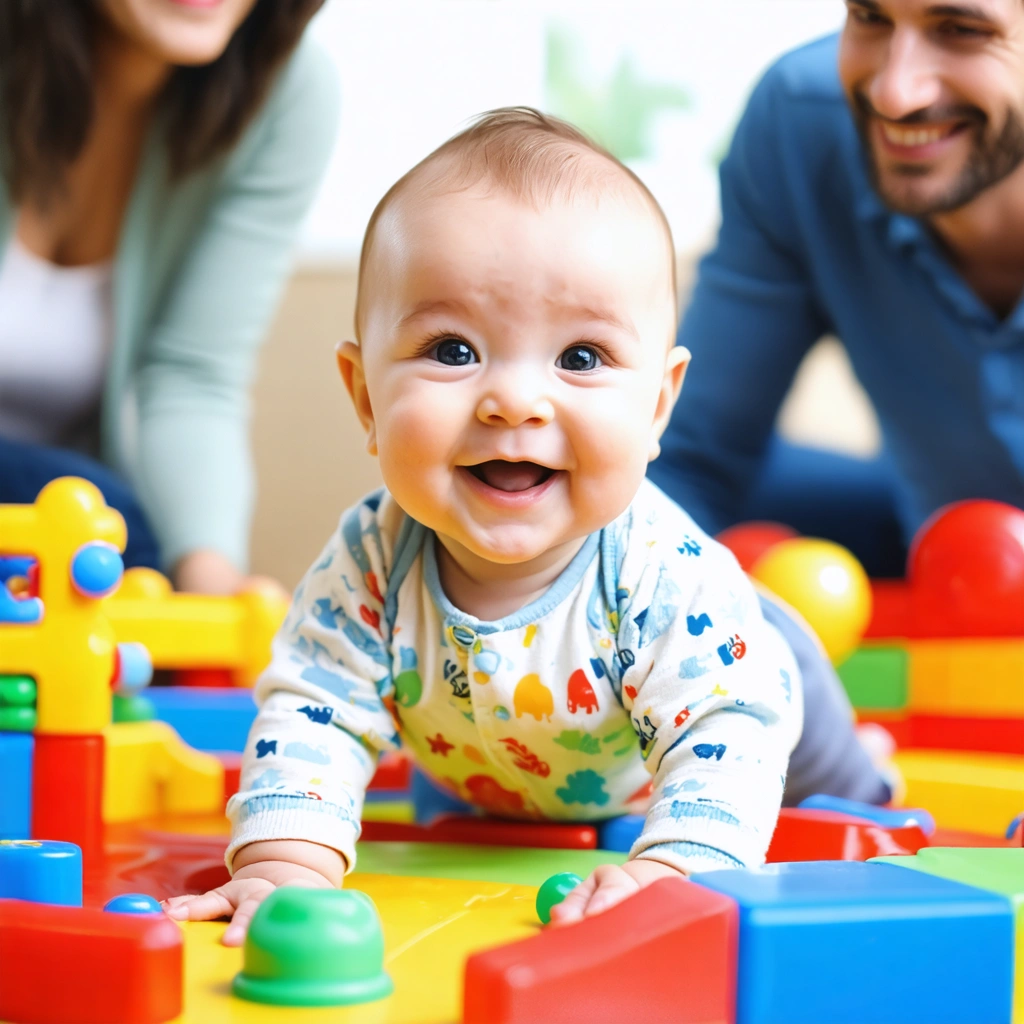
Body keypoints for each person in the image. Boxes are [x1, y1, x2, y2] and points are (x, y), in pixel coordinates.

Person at [163, 108, 891, 943]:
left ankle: (865, 773)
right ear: (365, 397)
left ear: (657, 406)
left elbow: (727, 730)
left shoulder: (664, 573)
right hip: (498, 772)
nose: (513, 399)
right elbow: (314, 707)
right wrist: (283, 867)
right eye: (452, 349)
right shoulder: (369, 563)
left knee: (831, 785)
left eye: (580, 358)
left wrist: (677, 868)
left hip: (747, 683)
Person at [650, 0, 1024, 579]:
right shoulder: (799, 122)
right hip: (934, 557)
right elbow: (690, 459)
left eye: (963, 30)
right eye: (870, 18)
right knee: (602, 480)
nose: (895, 94)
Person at [0, 0, 337, 591]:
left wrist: (209, 588)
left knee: (122, 539)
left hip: (70, 529)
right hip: (67, 508)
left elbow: (192, 374)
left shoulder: (285, 91)